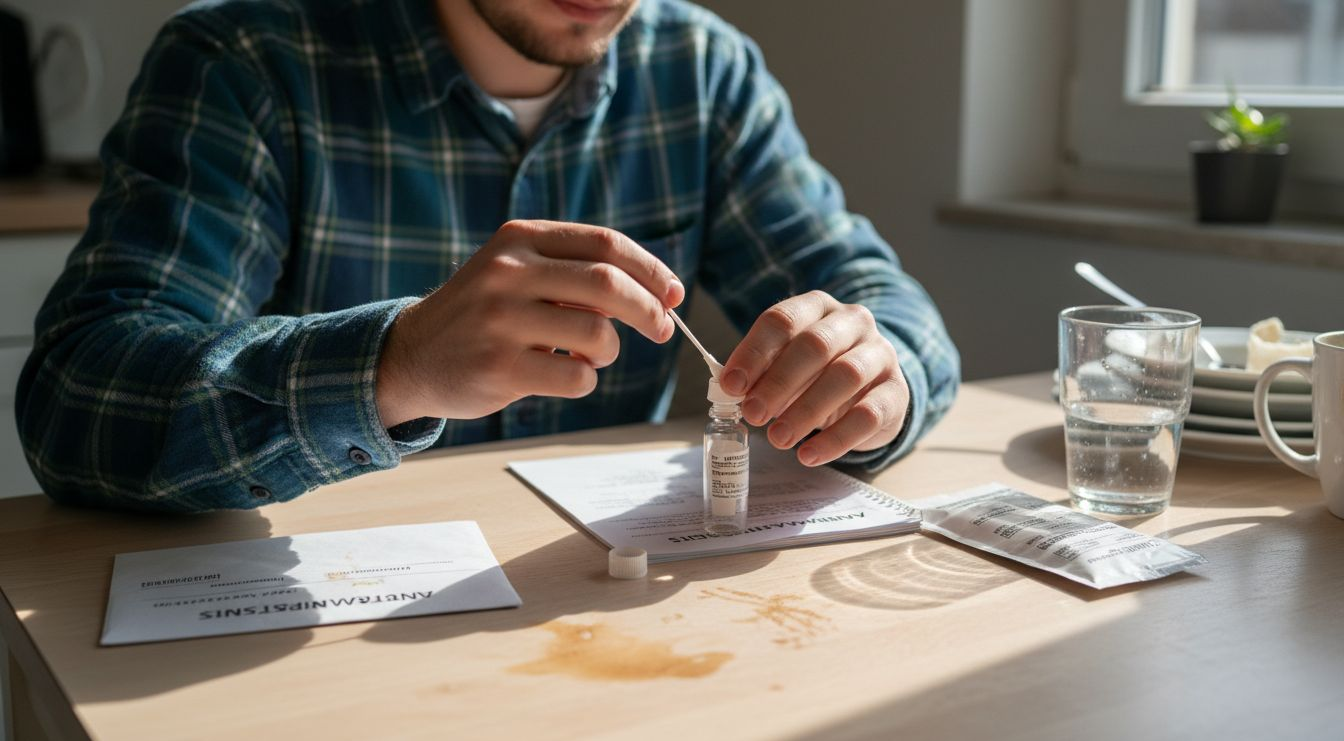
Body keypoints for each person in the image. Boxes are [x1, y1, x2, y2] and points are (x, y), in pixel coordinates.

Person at [15, 0, 959, 513]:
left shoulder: (702, 71)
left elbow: (883, 300)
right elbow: (76, 401)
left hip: (603, 621)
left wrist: (879, 376)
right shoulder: (245, 62)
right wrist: (395, 363)